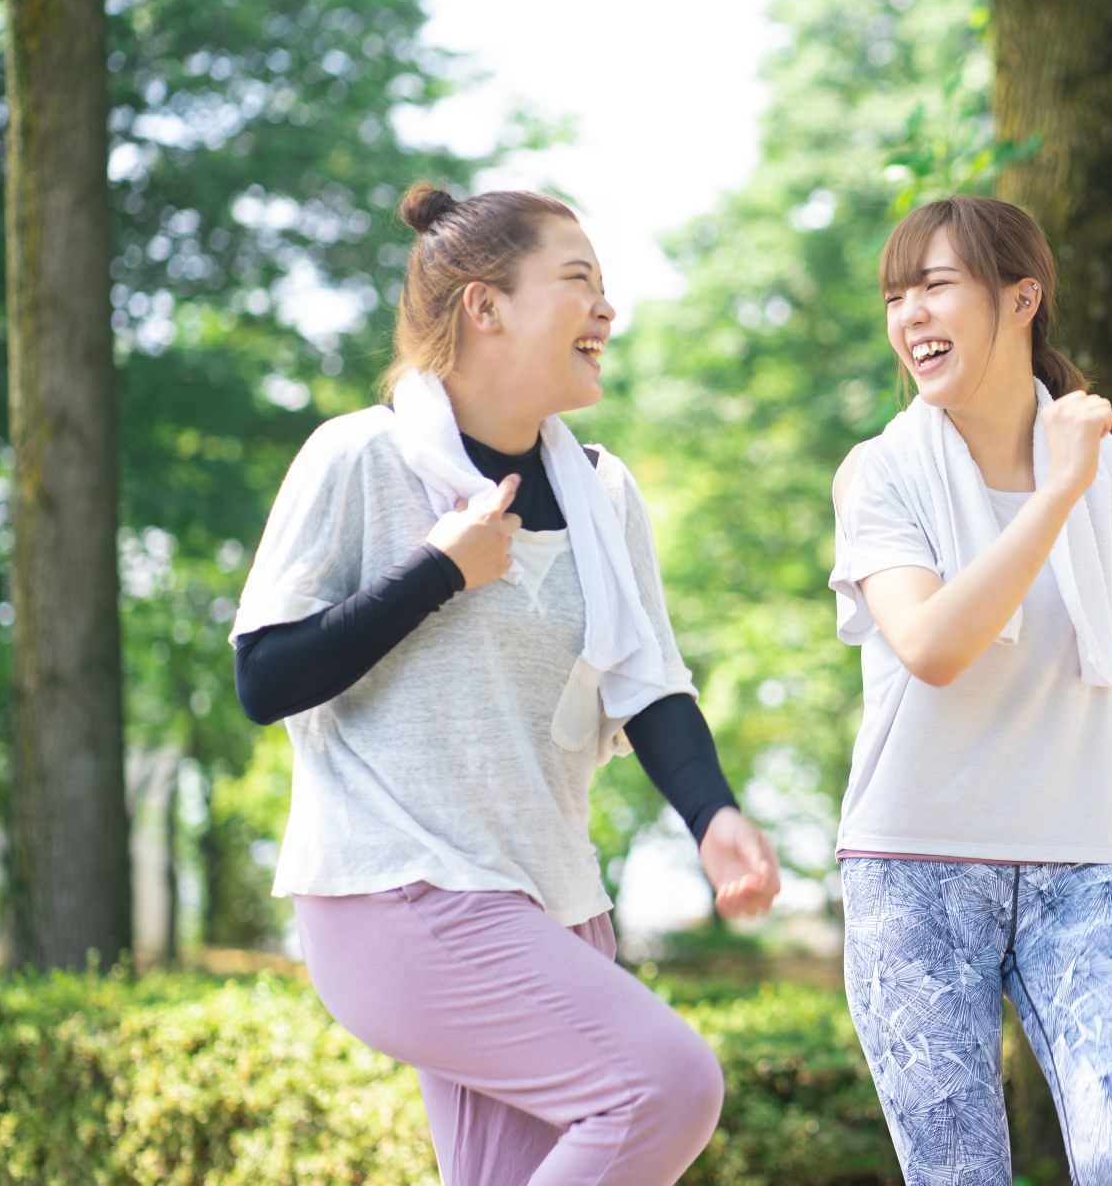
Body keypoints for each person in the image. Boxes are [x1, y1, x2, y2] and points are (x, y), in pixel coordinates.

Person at [230, 183, 780, 1186]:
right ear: (485, 308)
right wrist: (438, 569)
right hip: (401, 887)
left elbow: (648, 682)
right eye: (580, 283)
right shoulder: (362, 458)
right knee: (663, 1084)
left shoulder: (604, 493)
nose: (608, 311)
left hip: (548, 899)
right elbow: (266, 675)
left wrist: (714, 815)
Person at [828, 195, 1112, 1185]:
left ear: (1022, 296)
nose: (909, 317)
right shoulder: (879, 474)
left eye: (934, 285)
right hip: (914, 868)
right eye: (896, 295)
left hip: (1085, 869)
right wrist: (1057, 489)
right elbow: (933, 644)